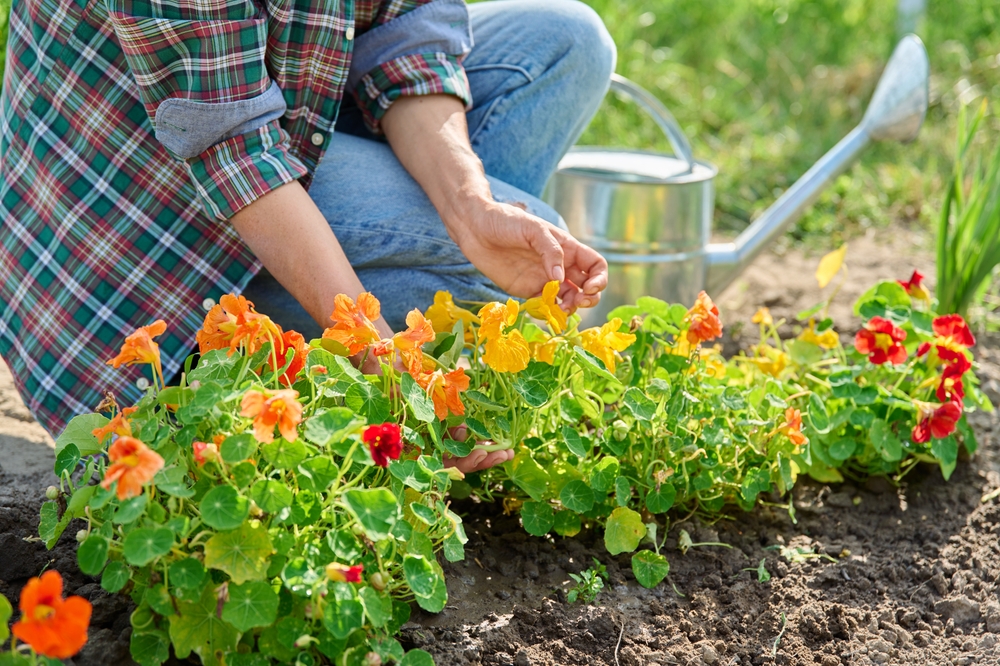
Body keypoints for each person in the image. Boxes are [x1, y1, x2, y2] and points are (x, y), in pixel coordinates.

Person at [0, 0, 616, 471]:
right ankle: (247, 366)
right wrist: (391, 375)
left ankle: (396, 352)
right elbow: (233, 147)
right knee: (474, 280)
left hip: (292, 110)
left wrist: (472, 209)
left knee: (570, 40)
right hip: (144, 206)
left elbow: (409, 32)